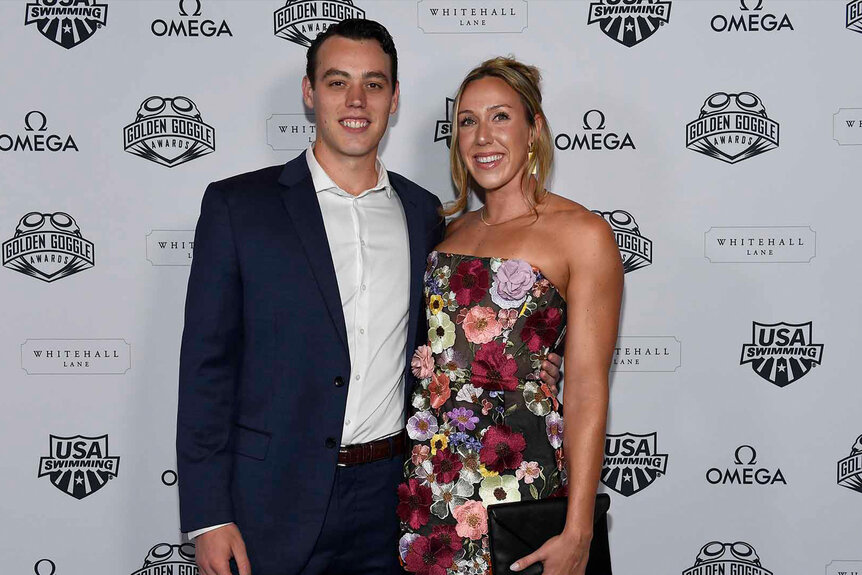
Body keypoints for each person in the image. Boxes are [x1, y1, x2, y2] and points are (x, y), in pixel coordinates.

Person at [175, 21, 563, 575]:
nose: (356, 101)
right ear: (310, 94)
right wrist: (210, 517)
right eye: (338, 83)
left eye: (374, 84)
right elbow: (205, 371)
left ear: (394, 97)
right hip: (270, 500)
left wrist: (537, 361)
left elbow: (468, 324)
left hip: (398, 499)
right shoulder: (239, 208)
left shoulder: (426, 215)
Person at [398, 57, 623, 575]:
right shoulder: (445, 233)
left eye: (500, 117)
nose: (483, 136)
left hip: (520, 480)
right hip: (429, 485)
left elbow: (588, 390)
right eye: (468, 121)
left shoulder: (581, 234)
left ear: (534, 129)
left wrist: (579, 529)